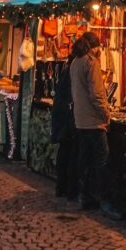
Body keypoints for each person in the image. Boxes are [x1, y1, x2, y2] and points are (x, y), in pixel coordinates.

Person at [69, 32, 123, 220]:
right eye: (99, 47)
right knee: (101, 163)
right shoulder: (91, 63)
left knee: (84, 162)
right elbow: (97, 95)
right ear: (95, 47)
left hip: (80, 121)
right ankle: (106, 203)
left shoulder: (75, 62)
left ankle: (84, 196)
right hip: (94, 122)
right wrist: (106, 115)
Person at [50, 51, 78, 204]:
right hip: (67, 118)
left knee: (64, 151)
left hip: (63, 116)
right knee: (68, 152)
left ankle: (61, 186)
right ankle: (66, 188)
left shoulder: (67, 69)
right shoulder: (71, 71)